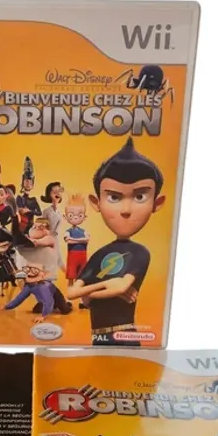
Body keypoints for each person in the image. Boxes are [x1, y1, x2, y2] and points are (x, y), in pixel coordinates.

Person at [66, 138, 165, 345]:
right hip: (97, 336)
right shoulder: (99, 254)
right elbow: (71, 292)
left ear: (156, 204)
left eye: (140, 197)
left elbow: (120, 287)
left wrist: (90, 293)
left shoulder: (140, 252)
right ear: (97, 203)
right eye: (114, 197)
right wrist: (105, 285)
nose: (126, 210)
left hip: (125, 335)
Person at [63, 193, 90, 289]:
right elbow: (68, 241)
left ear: (84, 217)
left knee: (81, 278)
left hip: (83, 256)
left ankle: (80, 296)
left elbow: (87, 240)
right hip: (72, 256)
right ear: (65, 217)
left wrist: (74, 240)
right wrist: (81, 240)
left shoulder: (84, 231)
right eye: (71, 215)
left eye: (80, 215)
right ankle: (70, 296)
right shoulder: (68, 231)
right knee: (71, 278)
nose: (75, 217)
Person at [41, 181, 65, 273]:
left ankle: (68, 275)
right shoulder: (46, 211)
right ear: (49, 194)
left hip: (55, 238)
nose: (57, 193)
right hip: (47, 238)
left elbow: (59, 227)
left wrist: (55, 234)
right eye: (54, 191)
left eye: (59, 191)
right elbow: (42, 225)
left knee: (57, 257)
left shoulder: (60, 213)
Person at [16, 157, 41, 234]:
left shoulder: (33, 199)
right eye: (26, 181)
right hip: (21, 227)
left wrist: (29, 210)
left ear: (32, 185)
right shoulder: (19, 198)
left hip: (31, 228)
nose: (28, 184)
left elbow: (39, 212)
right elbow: (20, 211)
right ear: (23, 182)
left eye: (30, 182)